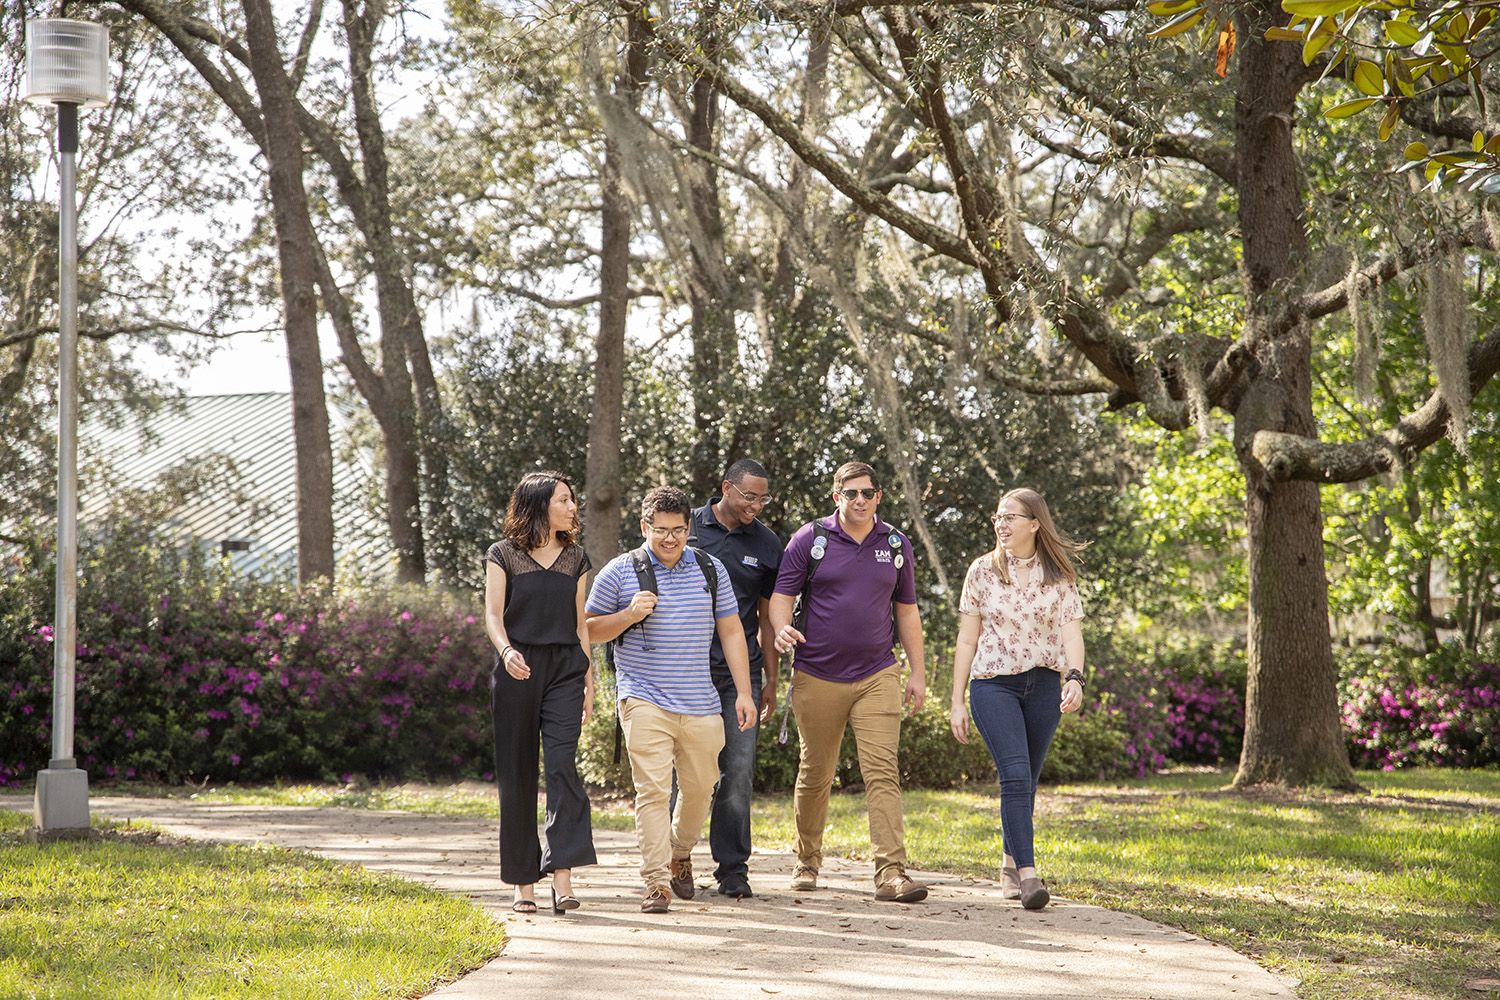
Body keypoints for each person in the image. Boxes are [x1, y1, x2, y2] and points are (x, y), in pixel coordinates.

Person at [586, 486, 757, 914]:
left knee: (702, 789)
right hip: (642, 697)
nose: (669, 539)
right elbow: (586, 629)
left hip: (701, 700)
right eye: (660, 530)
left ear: (689, 528)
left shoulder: (710, 568)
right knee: (653, 791)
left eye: (678, 530)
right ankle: (656, 883)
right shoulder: (620, 572)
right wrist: (629, 615)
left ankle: (680, 851)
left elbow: (732, 631)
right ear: (645, 527)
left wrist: (744, 692)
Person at [768, 461, 929, 903]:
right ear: (836, 496)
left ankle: (891, 872)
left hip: (878, 672)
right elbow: (782, 597)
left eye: (868, 493)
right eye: (851, 493)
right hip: (816, 673)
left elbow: (907, 611)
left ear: (879, 496)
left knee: (882, 771)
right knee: (816, 772)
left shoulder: (895, 543)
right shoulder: (811, 539)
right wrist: (782, 628)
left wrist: (917, 671)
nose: (860, 500)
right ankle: (807, 859)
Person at [949, 487, 1087, 911]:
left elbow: (1071, 634)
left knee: (1027, 779)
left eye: (1010, 517)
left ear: (1034, 523)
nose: (1001, 524)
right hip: (993, 684)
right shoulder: (982, 571)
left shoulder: (1060, 577)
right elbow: (967, 638)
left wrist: (1076, 678)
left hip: (1043, 685)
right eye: (998, 517)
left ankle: (1009, 865)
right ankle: (1029, 875)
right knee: (1014, 773)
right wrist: (956, 700)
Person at [483, 471, 597, 915]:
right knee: (517, 775)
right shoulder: (503, 554)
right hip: (518, 669)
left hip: (566, 669)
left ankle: (562, 875)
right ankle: (522, 882)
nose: (572, 508)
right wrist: (507, 650)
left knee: (563, 767)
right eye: (564, 500)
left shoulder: (576, 557)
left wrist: (589, 680)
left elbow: (580, 624)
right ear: (540, 504)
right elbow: (494, 615)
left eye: (572, 500)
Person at [688, 459, 783, 899]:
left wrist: (769, 677)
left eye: (763, 498)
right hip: (683, 669)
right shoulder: (684, 528)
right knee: (683, 773)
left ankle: (732, 868)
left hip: (739, 671)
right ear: (726, 488)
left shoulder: (766, 543)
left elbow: (766, 617)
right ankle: (676, 858)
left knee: (738, 770)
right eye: (749, 496)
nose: (756, 505)